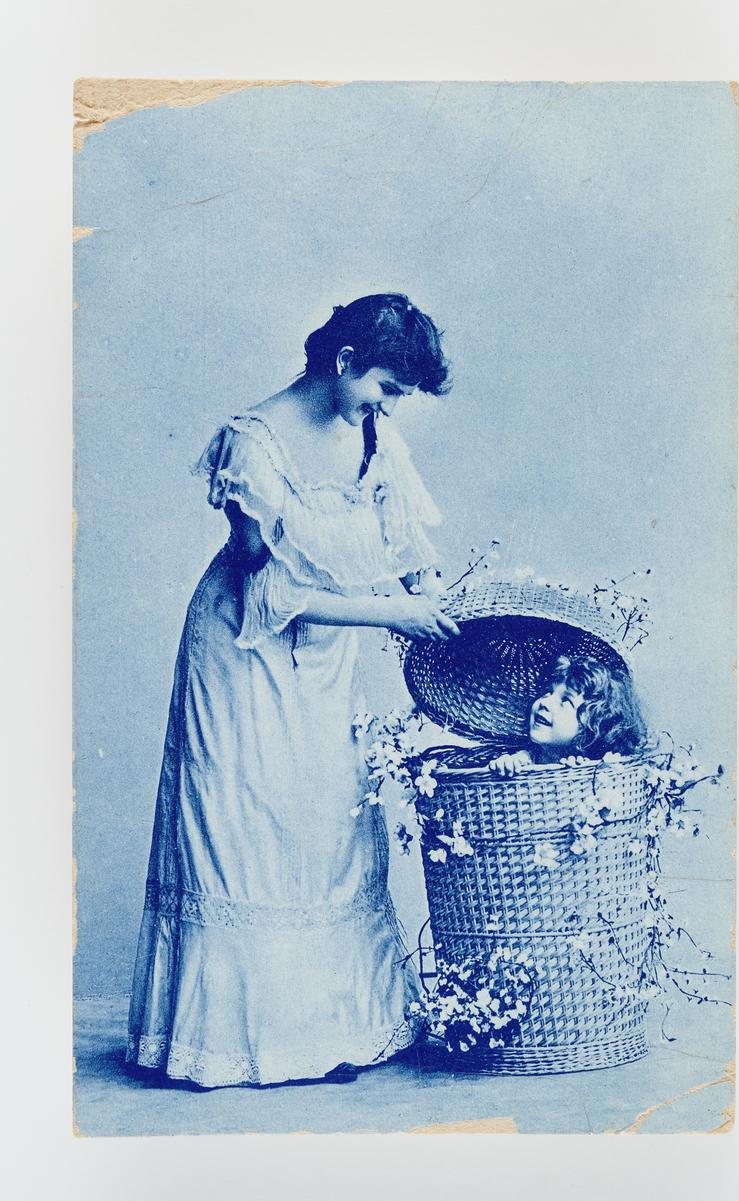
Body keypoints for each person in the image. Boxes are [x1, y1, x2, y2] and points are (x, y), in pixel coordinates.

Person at [126, 293, 459, 1088]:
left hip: (325, 659)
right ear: (343, 362)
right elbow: (267, 593)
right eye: (386, 385)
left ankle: (327, 1033)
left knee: (321, 828)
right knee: (249, 826)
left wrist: (433, 597)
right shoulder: (254, 444)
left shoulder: (371, 430)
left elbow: (407, 542)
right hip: (242, 653)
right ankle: (244, 1046)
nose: (391, 404)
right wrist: (391, 612)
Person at [488, 654, 647, 775]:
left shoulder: (590, 768)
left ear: (593, 724)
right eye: (547, 692)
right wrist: (506, 765)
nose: (545, 703)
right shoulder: (522, 760)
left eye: (565, 700)